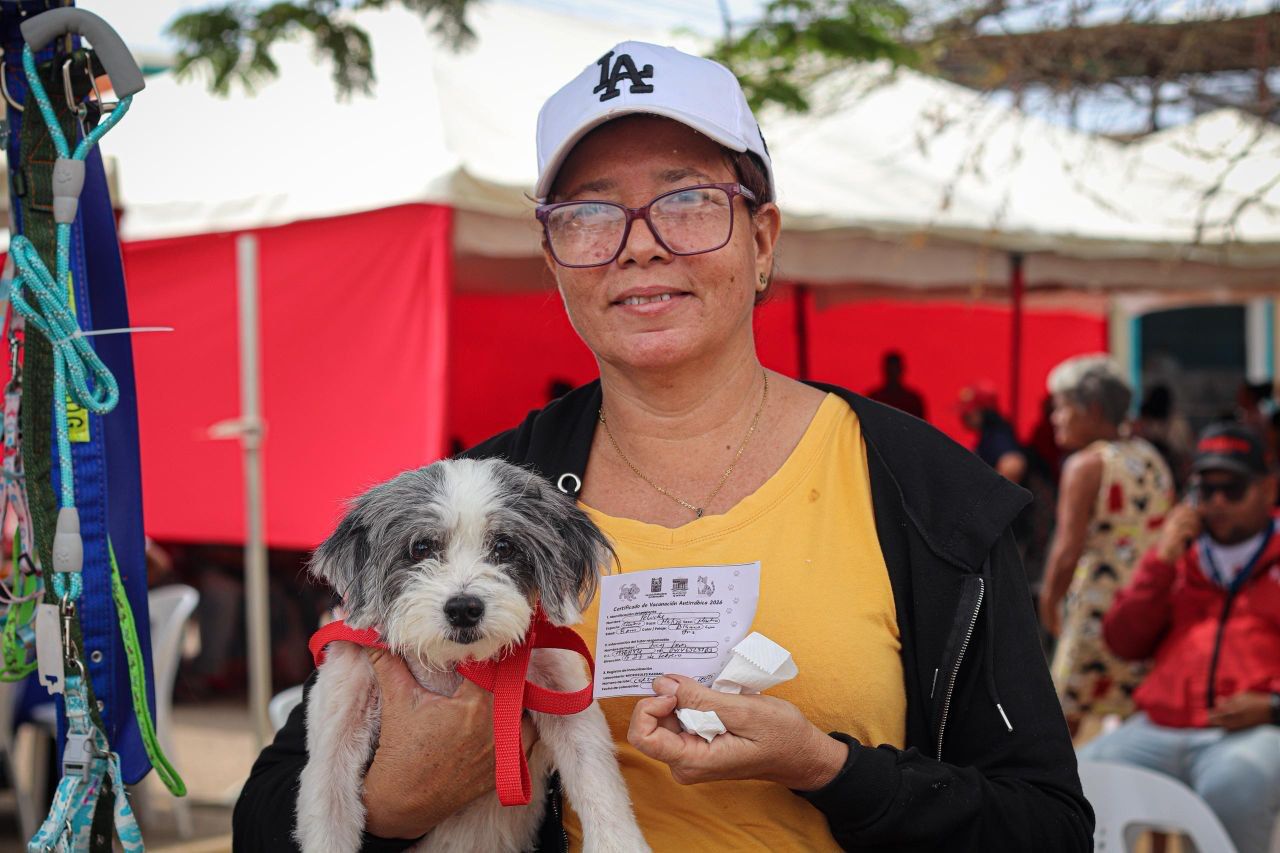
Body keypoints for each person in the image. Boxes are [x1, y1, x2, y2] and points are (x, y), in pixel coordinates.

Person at [234, 42, 1091, 851]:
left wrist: (827, 768)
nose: (640, 243)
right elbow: (266, 817)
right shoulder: (483, 499)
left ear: (762, 239)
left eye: (687, 201)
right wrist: (398, 800)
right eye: (590, 214)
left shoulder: (924, 490)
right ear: (553, 259)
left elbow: (1047, 824)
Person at [1080, 422, 1280, 853]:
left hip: (1252, 730)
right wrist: (1161, 560)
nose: (1217, 503)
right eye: (1206, 491)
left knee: (1236, 783)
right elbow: (1122, 642)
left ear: (1267, 489)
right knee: (1080, 778)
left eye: (1232, 489)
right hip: (1162, 726)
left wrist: (1273, 706)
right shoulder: (1180, 555)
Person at [1038, 355, 1174, 736]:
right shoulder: (1151, 457)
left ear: (1093, 409)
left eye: (1062, 407)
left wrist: (1049, 604)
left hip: (1096, 615)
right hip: (1144, 613)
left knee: (1064, 722)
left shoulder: (1085, 465)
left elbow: (1067, 551)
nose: (1055, 418)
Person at [957, 382, 1026, 484]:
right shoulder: (987, 434)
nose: (963, 416)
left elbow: (1013, 464)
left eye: (969, 412)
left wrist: (993, 490)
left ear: (984, 411)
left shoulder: (998, 434)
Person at [865, 350, 926, 420]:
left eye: (894, 369)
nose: (892, 374)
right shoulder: (874, 398)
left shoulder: (913, 401)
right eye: (890, 370)